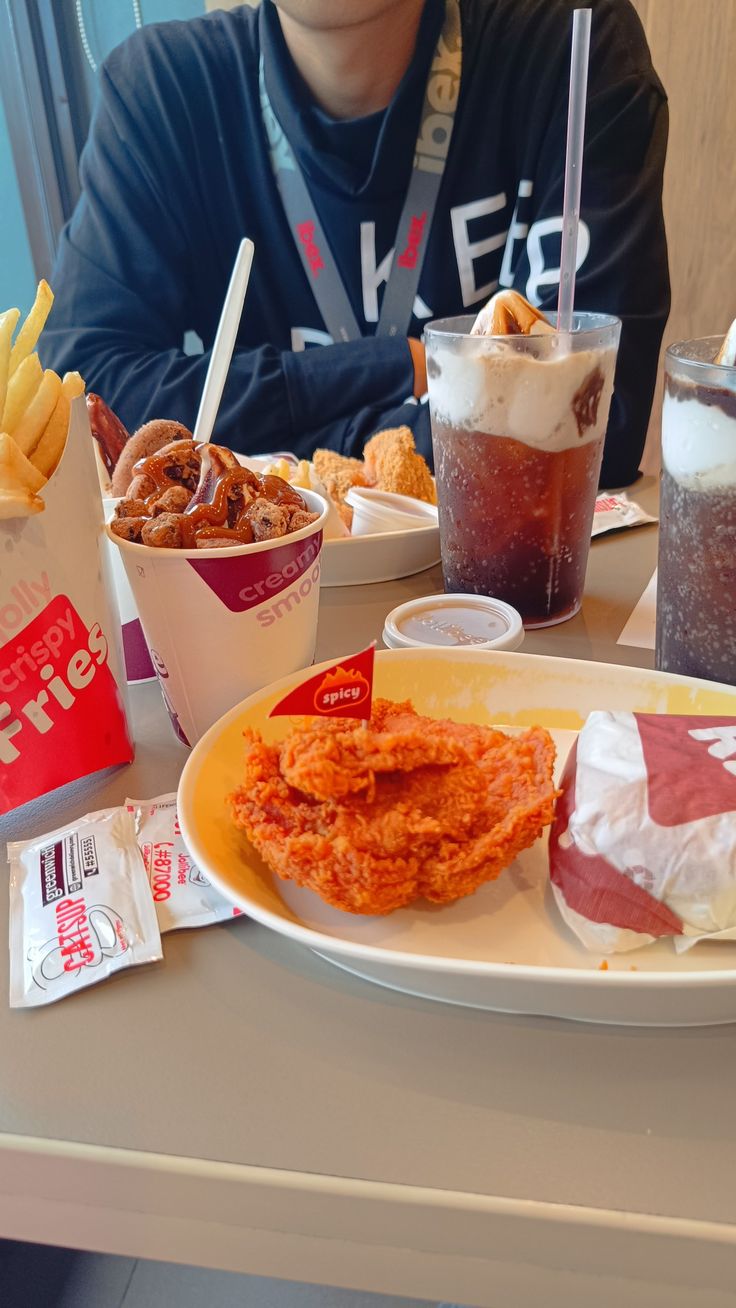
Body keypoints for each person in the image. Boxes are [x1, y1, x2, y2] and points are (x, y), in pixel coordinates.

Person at [43, 0, 670, 488]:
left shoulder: (571, 52)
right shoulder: (164, 92)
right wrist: (392, 367)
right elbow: (83, 394)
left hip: (520, 609)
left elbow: (593, 430)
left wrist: (293, 453)